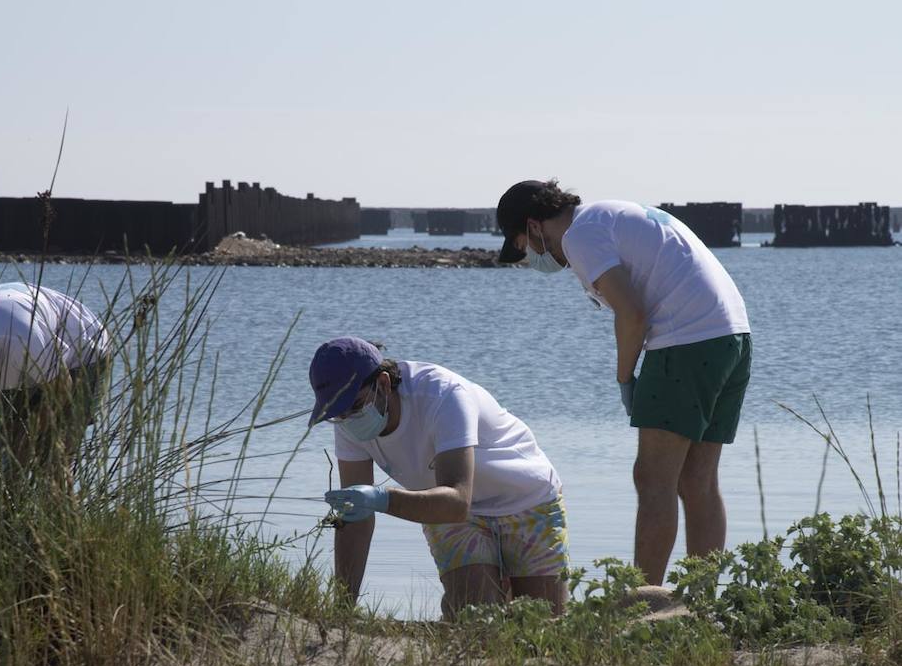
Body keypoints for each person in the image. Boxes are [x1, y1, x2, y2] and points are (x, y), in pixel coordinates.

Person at [496, 180, 752, 586]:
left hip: (684, 344)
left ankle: (643, 603)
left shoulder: (579, 235)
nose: (530, 257)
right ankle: (702, 604)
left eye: (523, 245)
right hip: (732, 337)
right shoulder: (610, 213)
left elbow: (632, 314)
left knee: (653, 479)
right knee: (697, 481)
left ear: (534, 226)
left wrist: (624, 379)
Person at [308, 336, 569, 618]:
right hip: (444, 509)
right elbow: (356, 520)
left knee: (542, 626)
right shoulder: (348, 421)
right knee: (474, 615)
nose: (347, 418)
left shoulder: (443, 395)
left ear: (382, 383)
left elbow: (457, 500)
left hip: (525, 499)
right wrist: (342, 611)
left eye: (355, 405)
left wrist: (383, 499)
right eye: (338, 413)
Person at [0, 280, 111, 475]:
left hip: (83, 357)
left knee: (54, 468)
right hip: (23, 348)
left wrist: (28, 433)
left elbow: (62, 389)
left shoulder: (18, 341)